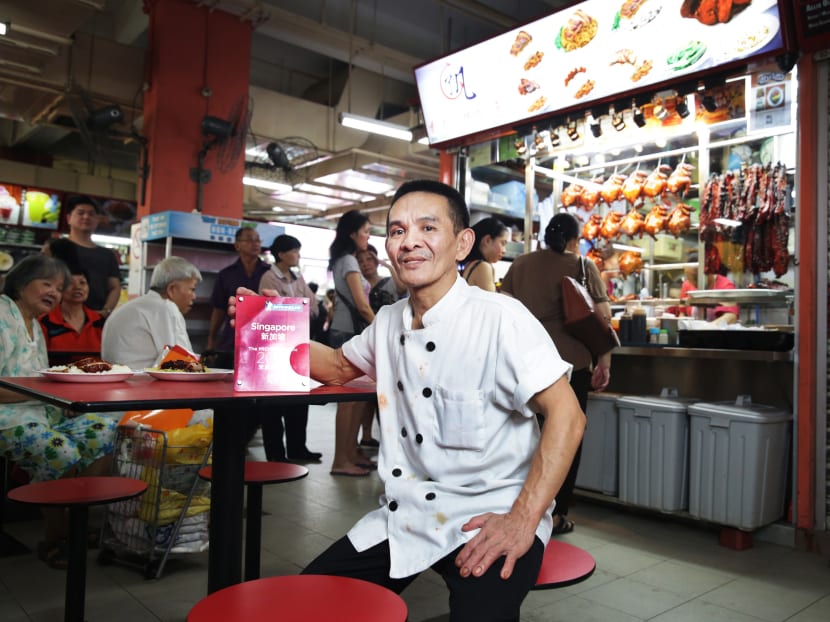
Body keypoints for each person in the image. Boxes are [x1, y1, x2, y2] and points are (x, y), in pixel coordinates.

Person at [229, 179, 585, 619]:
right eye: (397, 231)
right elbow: (339, 366)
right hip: (407, 515)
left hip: (489, 516)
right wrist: (268, 321)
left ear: (462, 243)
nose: (409, 242)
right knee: (308, 603)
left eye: (427, 228)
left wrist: (522, 519)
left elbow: (568, 416)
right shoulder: (389, 321)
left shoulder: (500, 317)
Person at [0, 254, 117, 569]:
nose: (54, 292)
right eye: (46, 283)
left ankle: (75, 518)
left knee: (105, 430)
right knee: (61, 451)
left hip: (42, 414)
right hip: (7, 419)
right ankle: (55, 536)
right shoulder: (2, 315)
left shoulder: (35, 326)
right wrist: (48, 392)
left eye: (58, 287)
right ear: (23, 283)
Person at [501, 212, 613, 536]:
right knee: (564, 440)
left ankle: (518, 507)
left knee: (523, 440)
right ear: (575, 239)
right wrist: (604, 361)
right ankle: (557, 514)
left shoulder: (520, 265)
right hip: (571, 364)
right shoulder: (581, 264)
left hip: (523, 365)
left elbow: (503, 309)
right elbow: (602, 317)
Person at [254, 234, 322, 462]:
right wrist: (297, 308)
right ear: (281, 254)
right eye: (295, 250)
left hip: (298, 345)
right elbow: (271, 310)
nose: (298, 255)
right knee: (273, 405)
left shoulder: (297, 277)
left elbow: (313, 306)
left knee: (299, 401)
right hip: (275, 349)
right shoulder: (268, 278)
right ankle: (276, 455)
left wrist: (295, 308)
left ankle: (298, 448)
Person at [327, 210, 377, 477]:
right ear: (352, 233)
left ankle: (350, 454)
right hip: (348, 335)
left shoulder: (343, 259)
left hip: (346, 333)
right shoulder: (349, 261)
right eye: (366, 231)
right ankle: (340, 459)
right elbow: (362, 305)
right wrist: (383, 327)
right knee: (349, 401)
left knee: (356, 401)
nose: (368, 237)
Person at [101, 257, 201, 370]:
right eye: (192, 289)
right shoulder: (165, 307)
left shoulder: (129, 307)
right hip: (141, 383)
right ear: (172, 289)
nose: (194, 296)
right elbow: (183, 363)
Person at [355, 244, 406, 449]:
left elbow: (402, 287)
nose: (365, 264)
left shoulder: (388, 282)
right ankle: (365, 435)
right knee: (364, 396)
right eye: (360, 260)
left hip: (385, 339)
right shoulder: (357, 284)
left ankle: (385, 436)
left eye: (369, 259)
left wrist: (388, 265)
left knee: (382, 391)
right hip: (362, 336)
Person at [205, 227, 271, 361]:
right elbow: (219, 309)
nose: (255, 243)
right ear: (237, 245)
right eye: (249, 239)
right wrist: (211, 339)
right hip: (231, 341)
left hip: (262, 341)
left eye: (257, 240)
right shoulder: (226, 274)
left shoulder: (269, 273)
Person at [63, 195, 122, 317]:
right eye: (80, 213)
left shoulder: (107, 255)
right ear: (69, 218)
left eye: (91, 214)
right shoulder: (57, 248)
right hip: (61, 318)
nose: (86, 217)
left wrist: (105, 312)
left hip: (95, 319)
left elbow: (114, 287)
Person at [680, 250, 739, 321]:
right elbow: (682, 313)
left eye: (696, 278)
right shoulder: (686, 285)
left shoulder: (725, 285)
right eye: (688, 278)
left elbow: (731, 316)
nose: (692, 282)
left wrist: (707, 328)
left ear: (708, 271)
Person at [458, 216, 509, 292]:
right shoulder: (483, 267)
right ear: (487, 240)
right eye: (503, 243)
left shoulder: (469, 264)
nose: (504, 250)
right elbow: (491, 302)